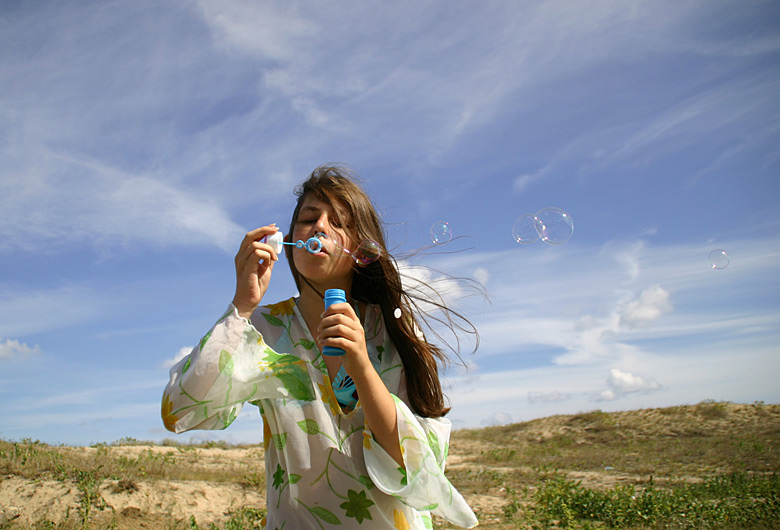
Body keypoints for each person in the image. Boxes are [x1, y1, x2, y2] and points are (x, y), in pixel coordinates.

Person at [161, 165, 479, 529]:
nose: (319, 227)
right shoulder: (262, 328)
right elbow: (180, 410)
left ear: (361, 247)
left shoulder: (391, 326)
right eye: (309, 218)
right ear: (291, 238)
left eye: (339, 222)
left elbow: (412, 465)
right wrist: (242, 305)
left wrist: (361, 365)